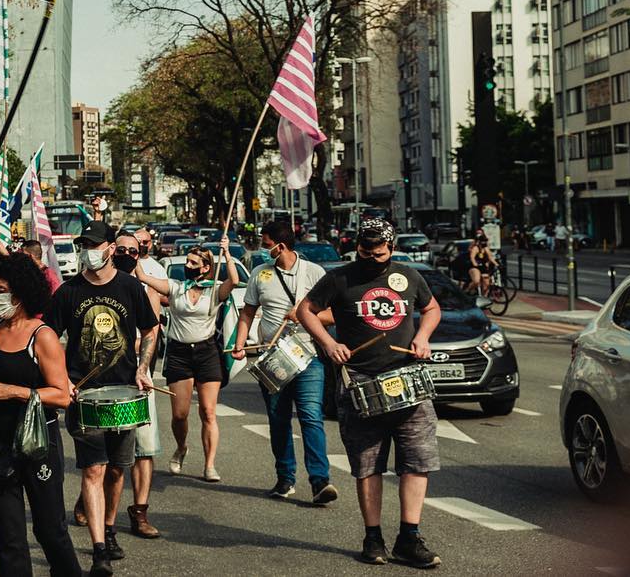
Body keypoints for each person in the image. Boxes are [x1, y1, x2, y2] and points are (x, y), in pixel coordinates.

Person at [299, 218, 443, 568]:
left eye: (379, 254)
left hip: (407, 379)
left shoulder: (408, 276)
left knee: (417, 461)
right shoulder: (340, 277)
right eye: (366, 252)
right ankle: (373, 536)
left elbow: (432, 308)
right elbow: (305, 310)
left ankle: (410, 537)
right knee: (367, 465)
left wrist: (423, 337)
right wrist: (330, 343)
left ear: (391, 249)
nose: (372, 259)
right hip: (361, 381)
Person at [47, 221, 158, 577]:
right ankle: (98, 551)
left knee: (116, 469)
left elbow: (150, 328)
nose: (88, 251)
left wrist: (143, 368)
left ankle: (109, 528)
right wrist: (62, 379)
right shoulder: (69, 292)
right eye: (84, 245)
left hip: (124, 393)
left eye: (94, 244)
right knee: (93, 469)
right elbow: (47, 335)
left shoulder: (130, 287)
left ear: (111, 247)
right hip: (84, 396)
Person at [0, 253, 79, 577]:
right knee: (9, 539)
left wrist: (16, 392)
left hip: (37, 445)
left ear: (20, 293)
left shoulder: (42, 335)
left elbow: (62, 395)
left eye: (1, 289)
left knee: (50, 530)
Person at [230, 219, 336, 503]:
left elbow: (333, 315)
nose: (264, 250)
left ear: (280, 245)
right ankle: (285, 478)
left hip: (307, 354)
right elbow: (248, 313)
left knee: (311, 416)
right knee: (278, 421)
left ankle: (320, 481)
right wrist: (239, 344)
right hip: (272, 356)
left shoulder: (314, 272)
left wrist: (304, 315)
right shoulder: (259, 274)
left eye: (266, 245)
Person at [138, 244, 237, 485]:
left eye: (193, 263)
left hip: (207, 352)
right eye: (187, 262)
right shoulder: (175, 287)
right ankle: (181, 447)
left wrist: (227, 254)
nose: (188, 266)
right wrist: (134, 253)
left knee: (208, 412)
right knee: (180, 414)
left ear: (205, 268)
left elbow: (233, 281)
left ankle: (209, 464)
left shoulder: (214, 290)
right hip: (179, 353)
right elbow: (143, 277)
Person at [116, 232, 163, 539]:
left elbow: (151, 332)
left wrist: (141, 366)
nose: (129, 254)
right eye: (122, 249)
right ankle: (91, 501)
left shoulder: (148, 289)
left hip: (138, 377)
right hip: (107, 381)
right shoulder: (94, 285)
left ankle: (140, 512)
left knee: (144, 449)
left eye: (134, 250)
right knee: (109, 451)